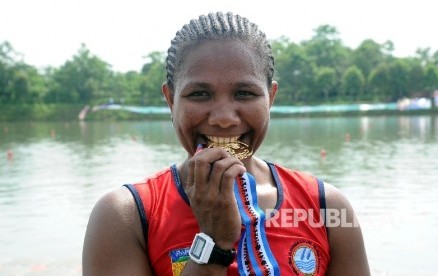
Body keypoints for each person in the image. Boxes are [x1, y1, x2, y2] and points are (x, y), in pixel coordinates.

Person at [82, 12, 370, 276]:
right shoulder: (127, 216)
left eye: (244, 93)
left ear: (270, 98)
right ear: (171, 100)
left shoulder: (326, 208)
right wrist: (213, 242)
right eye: (199, 94)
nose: (223, 119)